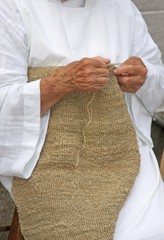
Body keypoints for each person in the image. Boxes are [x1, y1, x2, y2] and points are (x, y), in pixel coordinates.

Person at [0, 0, 164, 239]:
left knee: (151, 228)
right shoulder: (12, 7)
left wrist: (145, 76)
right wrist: (60, 83)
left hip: (123, 153)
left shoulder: (121, 8)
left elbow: (159, 85)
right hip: (46, 159)